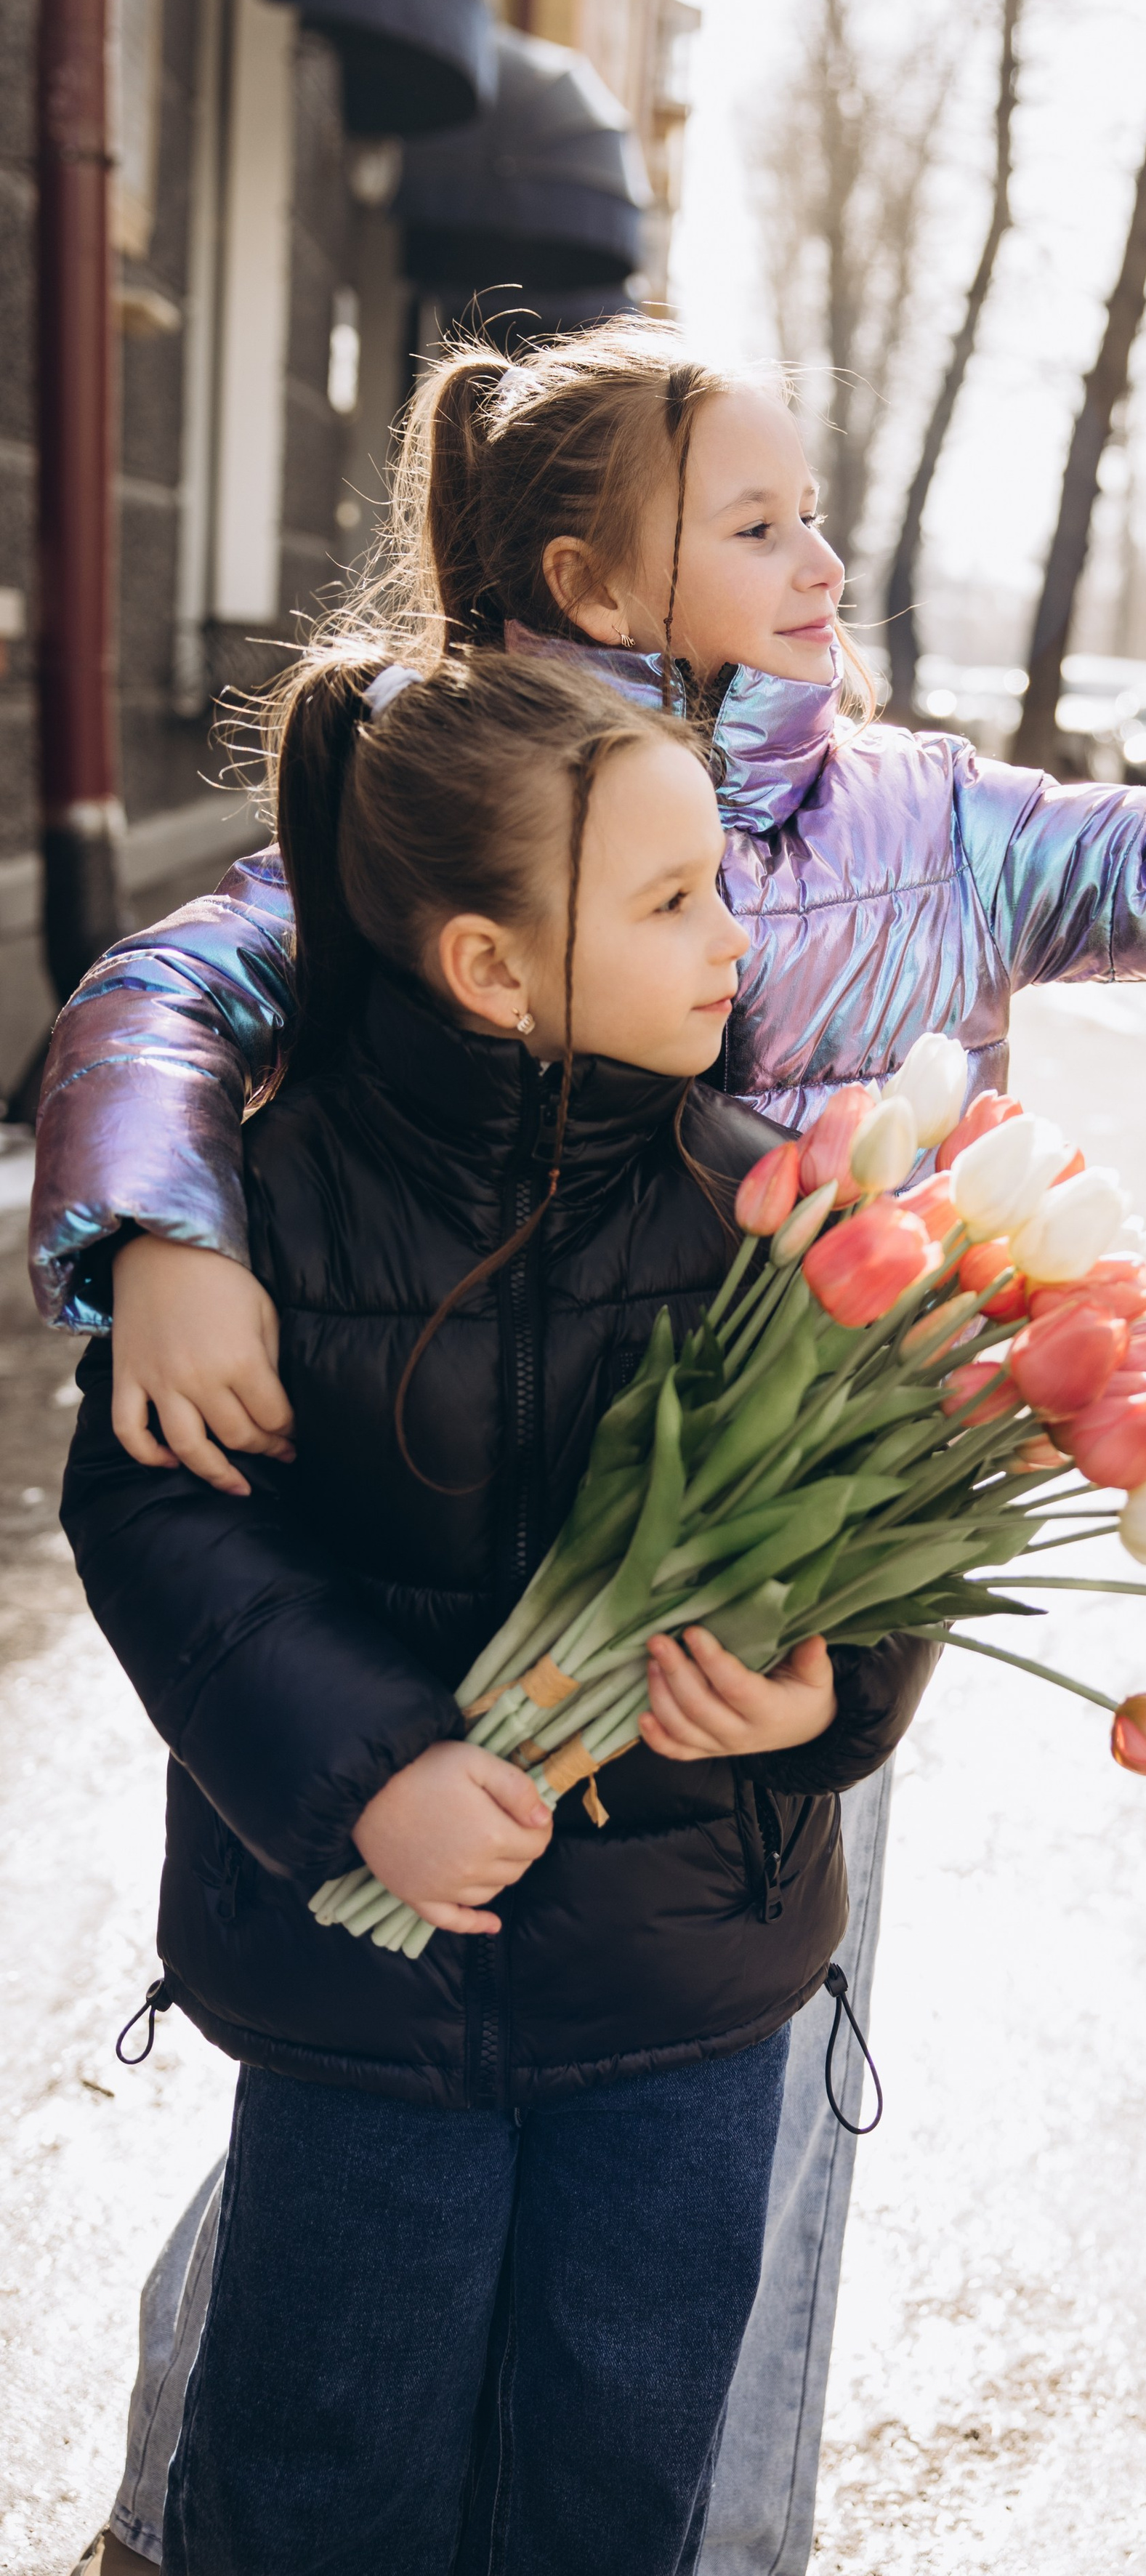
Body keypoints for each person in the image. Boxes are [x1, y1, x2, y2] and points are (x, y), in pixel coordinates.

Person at [32, 316, 1146, 2575]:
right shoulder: (447, 802)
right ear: (596, 584)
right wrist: (160, 1232)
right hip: (437, 1557)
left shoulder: (933, 822)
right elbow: (166, 994)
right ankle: (204, 2514)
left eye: (818, 511)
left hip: (766, 1589)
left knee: (727, 2109)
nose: (827, 554)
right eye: (758, 521)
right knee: (366, 2116)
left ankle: (701, 2534)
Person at [60, 642, 939, 2576]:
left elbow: (874, 1546)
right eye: (671, 900)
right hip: (367, 1997)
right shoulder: (264, 1210)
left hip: (686, 2004)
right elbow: (160, 1520)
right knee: (322, 2458)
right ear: (490, 966)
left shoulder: (761, 1210)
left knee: (614, 2475)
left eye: (720, 881)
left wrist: (821, 1706)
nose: (734, 935)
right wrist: (368, 1771)